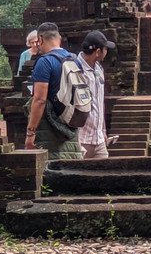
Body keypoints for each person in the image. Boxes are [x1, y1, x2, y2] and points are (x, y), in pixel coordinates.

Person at [23, 23, 81, 159]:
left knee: (50, 167)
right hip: (71, 127)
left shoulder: (45, 62)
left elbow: (40, 100)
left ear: (40, 39)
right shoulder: (74, 59)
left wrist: (30, 133)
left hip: (49, 131)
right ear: (59, 39)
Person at [77, 29, 115, 159]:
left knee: (106, 170)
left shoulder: (99, 69)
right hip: (81, 139)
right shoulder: (74, 69)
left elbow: (100, 101)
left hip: (99, 139)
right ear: (98, 52)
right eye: (105, 49)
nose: (106, 52)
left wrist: (103, 130)